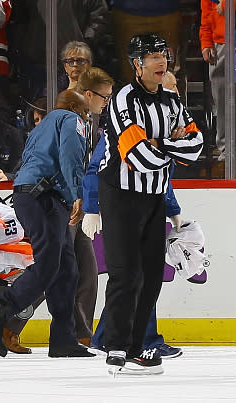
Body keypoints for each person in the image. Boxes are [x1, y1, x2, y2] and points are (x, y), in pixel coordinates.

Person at [97, 34, 203, 373]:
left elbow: (197, 146)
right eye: (153, 56)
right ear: (136, 64)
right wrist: (168, 144)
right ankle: (115, 345)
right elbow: (136, 155)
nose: (161, 62)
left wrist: (157, 142)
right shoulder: (122, 99)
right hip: (121, 196)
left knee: (153, 276)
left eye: (164, 55)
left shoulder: (172, 102)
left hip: (155, 197)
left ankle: (136, 346)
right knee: (125, 274)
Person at [0, 90, 94, 358]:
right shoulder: (72, 120)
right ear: (74, 107)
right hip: (45, 198)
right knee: (50, 265)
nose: (87, 117)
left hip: (31, 195)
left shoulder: (43, 126)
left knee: (66, 269)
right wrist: (77, 195)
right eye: (85, 111)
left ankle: (64, 339)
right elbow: (70, 158)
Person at [83, 68, 186, 360]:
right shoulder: (128, 125)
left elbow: (161, 178)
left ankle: (111, 336)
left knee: (137, 277)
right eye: (170, 90)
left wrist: (174, 211)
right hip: (123, 208)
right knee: (132, 277)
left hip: (146, 207)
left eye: (176, 90)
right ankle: (140, 339)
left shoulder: (167, 128)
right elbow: (98, 167)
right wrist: (92, 208)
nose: (175, 96)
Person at [200, 0, 230, 161]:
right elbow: (207, 13)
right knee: (224, 101)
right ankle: (227, 152)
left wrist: (228, 5)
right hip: (221, 45)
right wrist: (206, 42)